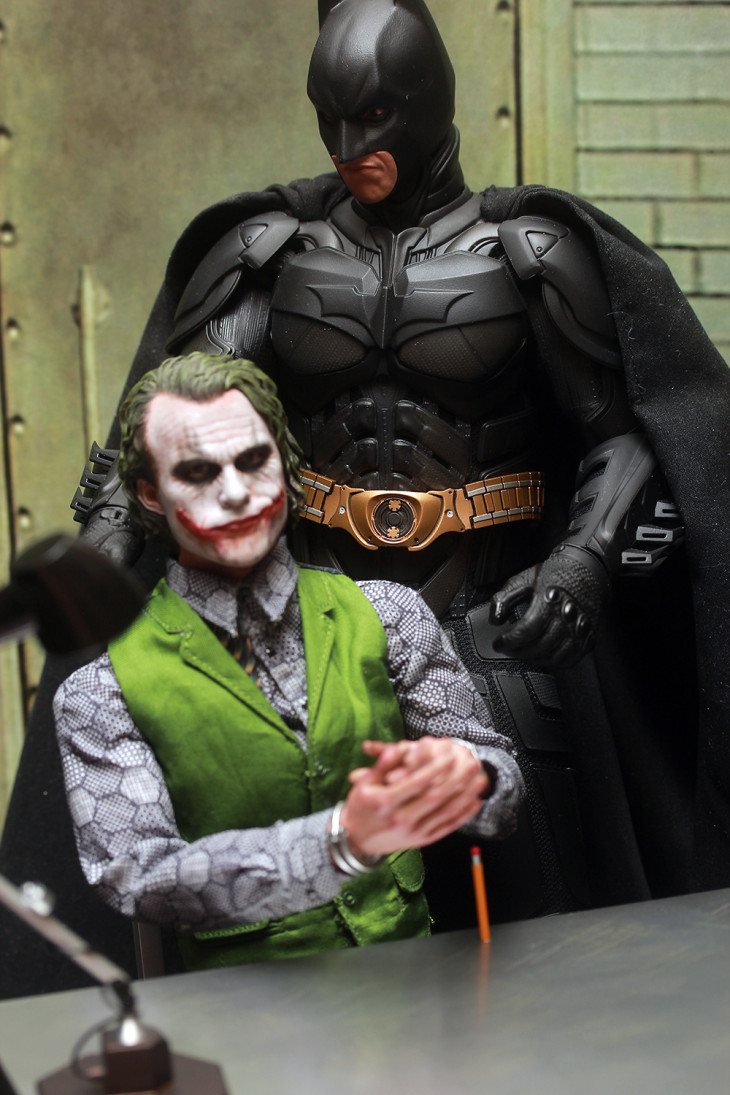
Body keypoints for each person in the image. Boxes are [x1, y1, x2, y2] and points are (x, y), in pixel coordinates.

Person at [53, 353, 524, 969]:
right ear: (149, 493)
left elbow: (501, 786)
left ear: (285, 462)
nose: (235, 493)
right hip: (244, 1008)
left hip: (409, 984)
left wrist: (467, 779)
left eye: (254, 460)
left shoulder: (388, 614)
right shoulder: (104, 690)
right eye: (196, 472)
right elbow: (138, 877)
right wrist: (337, 845)